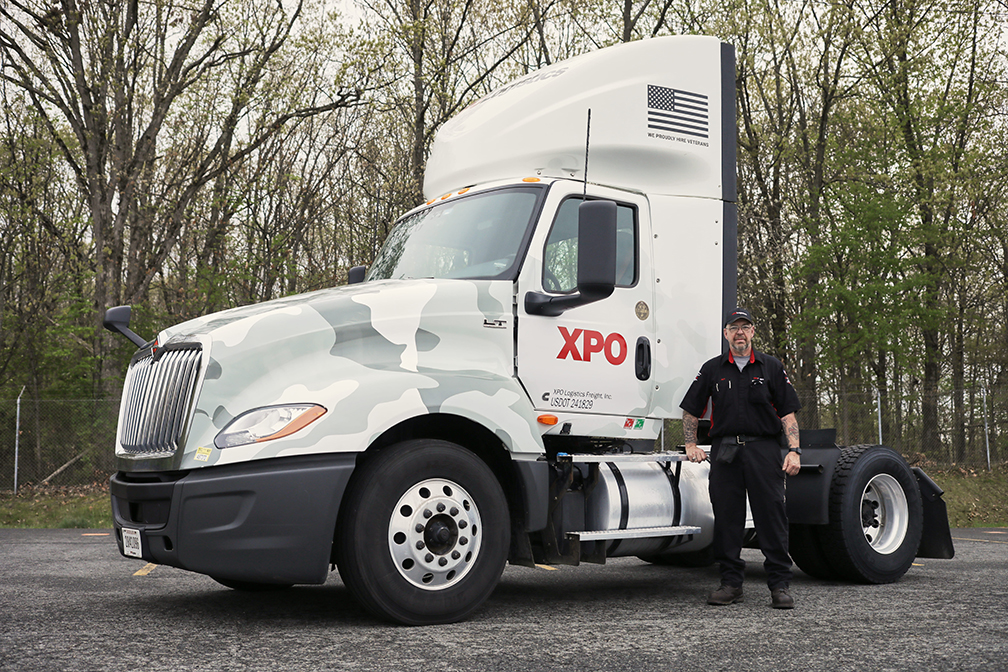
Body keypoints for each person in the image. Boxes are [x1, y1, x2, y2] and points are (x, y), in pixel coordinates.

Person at [679, 307, 802, 609]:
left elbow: (787, 413)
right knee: (727, 519)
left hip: (763, 450)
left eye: (744, 327)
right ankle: (731, 584)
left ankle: (780, 585)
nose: (739, 333)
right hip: (725, 452)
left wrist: (795, 450)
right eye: (734, 328)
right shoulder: (712, 369)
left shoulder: (771, 367)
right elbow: (691, 409)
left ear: (753, 332)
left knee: (771, 517)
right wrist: (690, 444)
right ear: (725, 334)